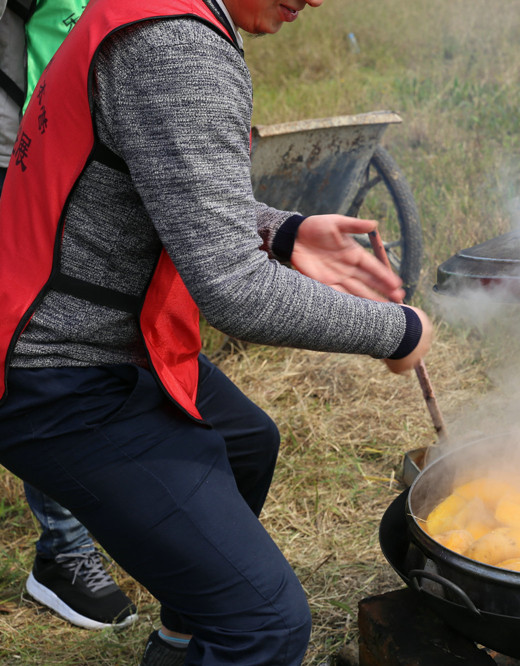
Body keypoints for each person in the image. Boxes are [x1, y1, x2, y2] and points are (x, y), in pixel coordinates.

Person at [0, 0, 434, 664]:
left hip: (99, 335)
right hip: (55, 370)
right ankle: (222, 629)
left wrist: (285, 231)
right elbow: (235, 290)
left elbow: (166, 179)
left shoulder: (147, 12)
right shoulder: (175, 46)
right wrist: (398, 331)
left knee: (245, 445)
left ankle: (180, 639)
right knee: (265, 623)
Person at [0, 0, 137, 631]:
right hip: (18, 141)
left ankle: (63, 551)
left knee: (64, 345)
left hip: (91, 136)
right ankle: (67, 551)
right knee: (40, 345)